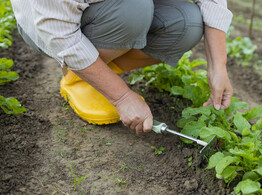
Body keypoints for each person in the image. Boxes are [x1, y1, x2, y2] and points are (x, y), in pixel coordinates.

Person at [10, 0, 234, 136]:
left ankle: (97, 72)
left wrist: (218, 66)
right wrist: (122, 97)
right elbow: (58, 34)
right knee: (134, 9)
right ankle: (77, 77)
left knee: (187, 24)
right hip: (48, 26)